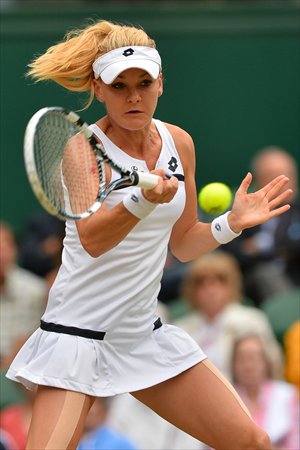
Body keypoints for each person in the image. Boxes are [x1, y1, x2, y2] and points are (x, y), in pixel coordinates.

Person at [6, 19, 292, 450]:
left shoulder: (180, 143)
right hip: (75, 335)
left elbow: (183, 242)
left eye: (144, 82)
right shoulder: (82, 148)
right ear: (99, 90)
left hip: (141, 335)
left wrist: (230, 224)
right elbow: (93, 240)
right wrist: (142, 201)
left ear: (161, 84)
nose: (134, 95)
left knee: (252, 442)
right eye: (119, 86)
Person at [175, 250, 282, 380]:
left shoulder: (252, 321)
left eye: (219, 280)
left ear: (231, 285)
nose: (210, 289)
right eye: (202, 282)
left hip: (242, 397)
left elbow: (274, 368)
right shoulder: (180, 330)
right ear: (192, 289)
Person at [224, 146, 300, 306]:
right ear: (259, 181)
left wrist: (262, 246)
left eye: (289, 176)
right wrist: (281, 251)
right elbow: (232, 251)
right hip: (253, 284)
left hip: (294, 280)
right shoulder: (242, 212)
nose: (284, 182)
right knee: (265, 273)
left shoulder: (297, 212)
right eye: (275, 177)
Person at [232, 333, 300, 450]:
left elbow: (296, 441)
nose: (248, 366)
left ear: (266, 363)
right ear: (233, 365)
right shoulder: (226, 398)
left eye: (254, 359)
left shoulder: (287, 394)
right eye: (241, 359)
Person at [0, 221, 47, 369]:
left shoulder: (35, 290)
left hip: (18, 372)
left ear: (14, 251)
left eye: (3, 249)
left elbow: (30, 344)